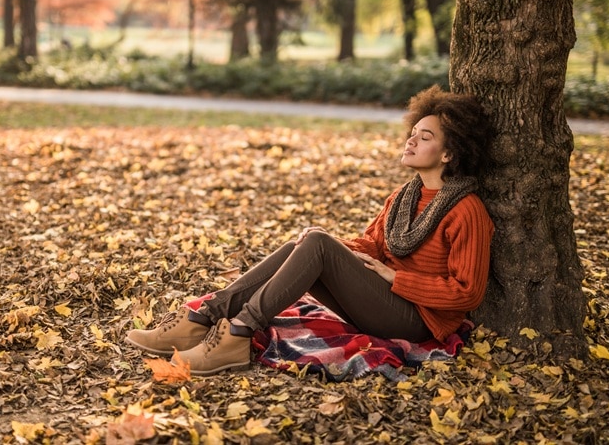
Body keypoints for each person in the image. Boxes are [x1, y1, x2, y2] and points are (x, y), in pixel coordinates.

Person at [125, 85, 495, 376]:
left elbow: (467, 293)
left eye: (425, 137)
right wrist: (333, 247)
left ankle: (238, 333)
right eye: (412, 132)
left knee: (317, 243)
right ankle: (202, 318)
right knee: (309, 241)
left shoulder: (466, 210)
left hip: (417, 320)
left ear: (449, 153)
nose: (410, 140)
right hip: (384, 296)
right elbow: (372, 244)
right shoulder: (405, 195)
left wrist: (395, 278)